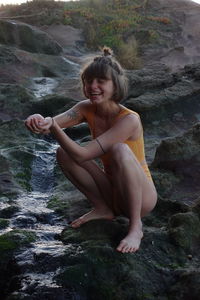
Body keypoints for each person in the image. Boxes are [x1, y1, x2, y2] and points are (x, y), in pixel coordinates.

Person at [25, 47, 157, 253]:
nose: (92, 86)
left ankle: (135, 227)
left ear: (115, 85)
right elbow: (49, 123)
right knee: (62, 153)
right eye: (88, 81)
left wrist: (53, 127)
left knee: (120, 150)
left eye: (100, 81)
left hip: (141, 198)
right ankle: (103, 208)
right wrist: (36, 119)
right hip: (111, 191)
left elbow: (83, 154)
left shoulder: (129, 119)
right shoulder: (86, 108)